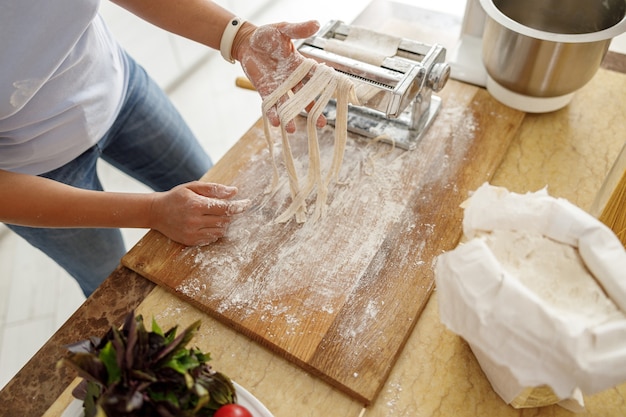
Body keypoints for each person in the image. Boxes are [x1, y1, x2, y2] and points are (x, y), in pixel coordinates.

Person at [0, 0, 326, 297]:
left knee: (215, 198)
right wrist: (153, 211)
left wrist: (239, 39)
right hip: (29, 170)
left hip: (121, 90)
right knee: (112, 285)